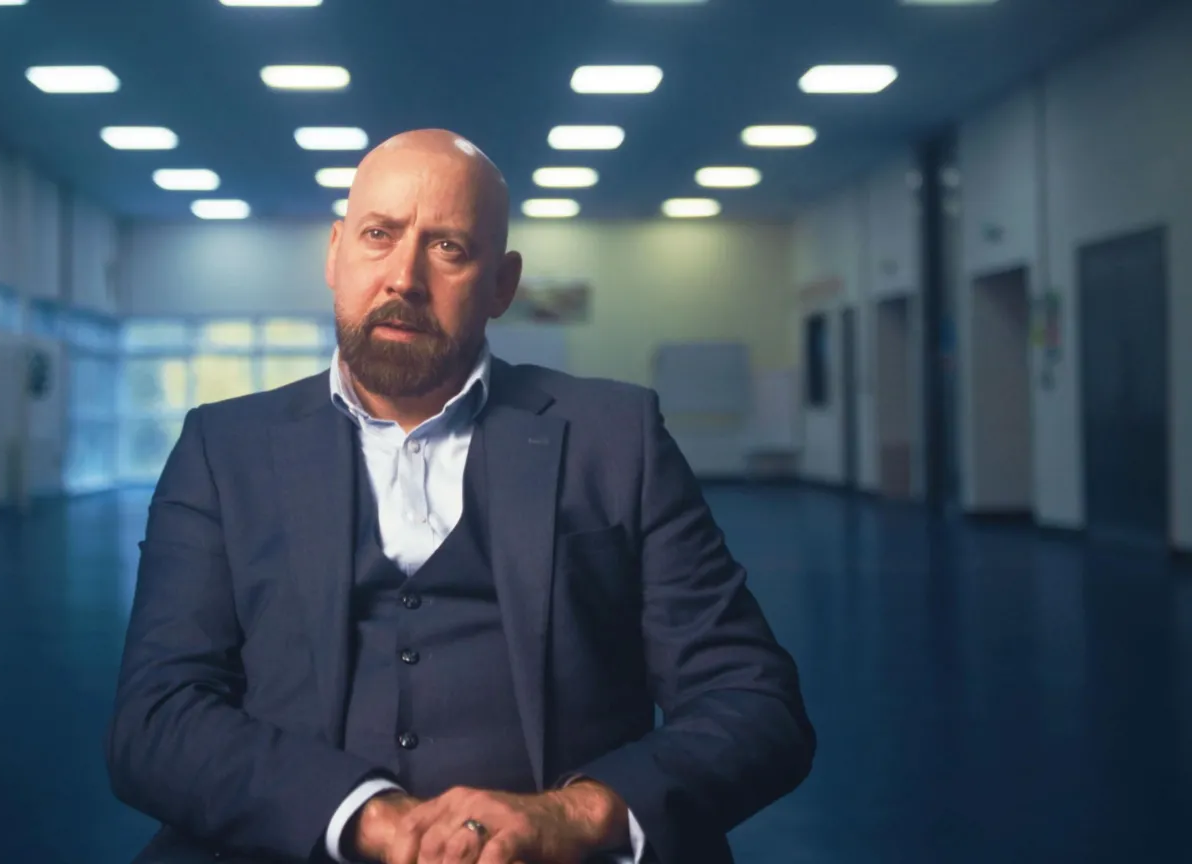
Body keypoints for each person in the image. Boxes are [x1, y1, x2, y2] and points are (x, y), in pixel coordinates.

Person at [107, 129, 814, 864]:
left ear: (502, 284)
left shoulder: (617, 439)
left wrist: (571, 817)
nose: (403, 277)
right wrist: (368, 819)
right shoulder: (223, 449)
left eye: (448, 247)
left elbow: (754, 704)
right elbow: (155, 721)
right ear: (335, 253)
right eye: (378, 235)